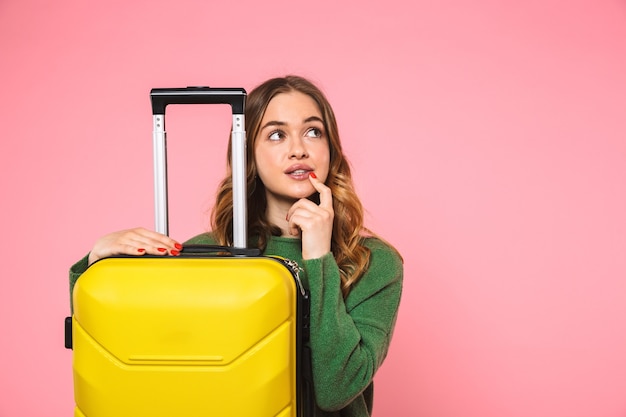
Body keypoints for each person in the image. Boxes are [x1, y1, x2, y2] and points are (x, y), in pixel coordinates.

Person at [69, 75, 403, 417]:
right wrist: (97, 265)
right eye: (276, 134)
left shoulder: (374, 263)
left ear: (331, 150)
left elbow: (336, 389)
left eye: (313, 131)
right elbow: (122, 347)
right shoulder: (204, 254)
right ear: (249, 155)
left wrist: (318, 257)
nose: (299, 149)